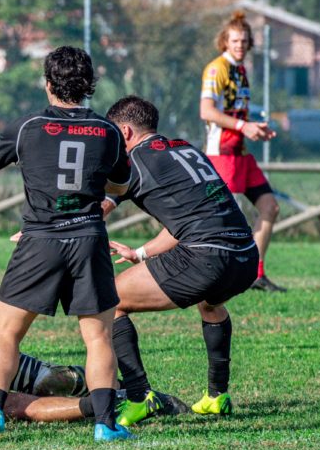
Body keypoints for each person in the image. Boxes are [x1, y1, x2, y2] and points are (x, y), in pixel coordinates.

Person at [0, 45, 134, 444]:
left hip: (40, 240)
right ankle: (106, 424)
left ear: (48, 83)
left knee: (7, 336)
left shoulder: (27, 126)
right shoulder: (107, 131)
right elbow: (120, 185)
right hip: (88, 237)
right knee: (99, 337)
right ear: (88, 85)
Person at [104, 95, 259, 423]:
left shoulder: (135, 163)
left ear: (126, 132)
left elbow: (99, 206)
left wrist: (45, 229)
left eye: (113, 134)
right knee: (211, 304)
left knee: (109, 302)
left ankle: (139, 396)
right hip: (245, 256)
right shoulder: (184, 148)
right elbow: (185, 221)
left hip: (208, 258)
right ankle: (217, 396)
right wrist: (140, 253)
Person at [200, 10, 284, 292]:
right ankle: (215, 275)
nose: (240, 45)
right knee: (226, 220)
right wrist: (241, 126)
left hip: (241, 154)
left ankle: (255, 275)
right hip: (222, 153)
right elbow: (206, 111)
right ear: (224, 41)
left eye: (244, 40)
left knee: (270, 206)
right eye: (235, 40)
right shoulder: (216, 68)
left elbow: (236, 113)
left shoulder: (241, 70)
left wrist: (254, 128)